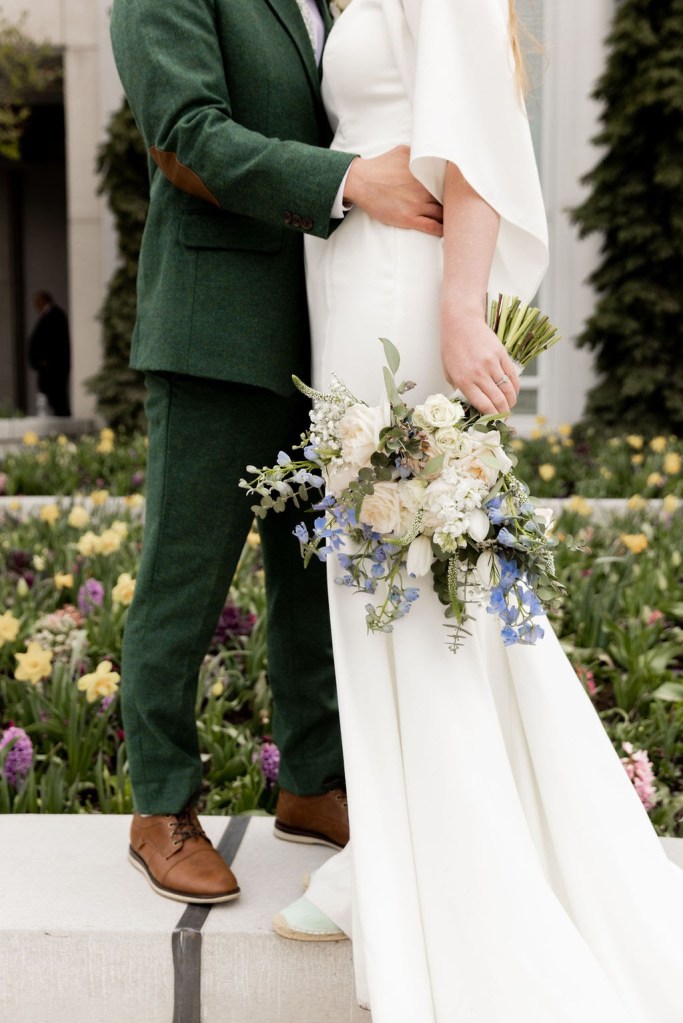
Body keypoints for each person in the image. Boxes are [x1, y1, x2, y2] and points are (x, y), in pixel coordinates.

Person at [272, 0, 683, 1019]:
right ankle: (396, 848)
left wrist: (461, 310)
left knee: (413, 586)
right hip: (361, 285)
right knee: (405, 589)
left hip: (400, 298)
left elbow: (476, 144)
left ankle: (444, 868)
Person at [108, 0, 442, 904]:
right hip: (213, 332)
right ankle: (161, 807)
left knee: (312, 579)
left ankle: (311, 782)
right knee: (183, 579)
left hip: (323, 327)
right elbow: (185, 135)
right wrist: (350, 180)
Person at [28, 290, 71, 417]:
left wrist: (46, 359)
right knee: (48, 396)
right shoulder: (47, 315)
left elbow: (55, 341)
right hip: (46, 367)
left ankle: (62, 419)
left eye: (37, 301)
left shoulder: (55, 315)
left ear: (44, 300)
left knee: (57, 396)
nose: (35, 305)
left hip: (54, 367)